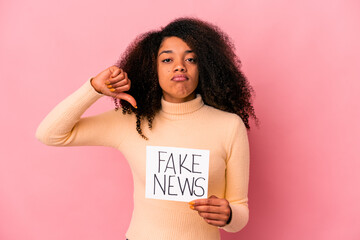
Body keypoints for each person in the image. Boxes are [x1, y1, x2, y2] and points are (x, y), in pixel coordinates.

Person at [36, 17, 257, 240]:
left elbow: (240, 210)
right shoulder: (132, 121)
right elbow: (49, 134)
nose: (180, 65)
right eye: (167, 60)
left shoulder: (229, 126)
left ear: (205, 67)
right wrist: (93, 89)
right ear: (153, 69)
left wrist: (228, 215)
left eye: (191, 58)